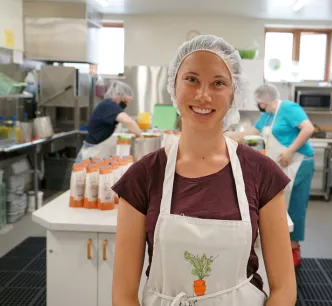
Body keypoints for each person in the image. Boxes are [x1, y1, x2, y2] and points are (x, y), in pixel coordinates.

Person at [111, 35, 296, 306]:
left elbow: (284, 290)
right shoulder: (143, 176)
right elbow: (124, 295)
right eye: (192, 79)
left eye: (219, 83)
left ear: (234, 93)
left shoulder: (261, 173)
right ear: (174, 85)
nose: (203, 95)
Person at [226, 83, 315, 268]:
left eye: (259, 101)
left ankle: (294, 248)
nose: (259, 104)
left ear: (265, 100)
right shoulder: (267, 115)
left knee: (295, 205)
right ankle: (284, 246)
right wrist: (225, 134)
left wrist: (290, 151)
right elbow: (252, 132)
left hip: (299, 161)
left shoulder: (289, 108)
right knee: (284, 202)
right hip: (284, 164)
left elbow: (308, 129)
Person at [75, 81, 142, 163]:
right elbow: (129, 122)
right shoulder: (109, 105)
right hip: (91, 153)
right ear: (117, 95)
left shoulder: (109, 105)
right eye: (124, 102)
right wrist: (140, 137)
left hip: (97, 153)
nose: (124, 106)